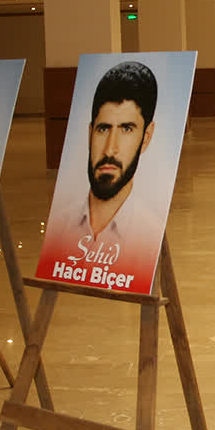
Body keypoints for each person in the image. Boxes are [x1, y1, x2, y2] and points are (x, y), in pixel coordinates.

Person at [40, 62, 165, 284]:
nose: (109, 149)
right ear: (90, 133)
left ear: (146, 137)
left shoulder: (148, 233)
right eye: (103, 129)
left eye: (126, 129)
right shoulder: (60, 226)